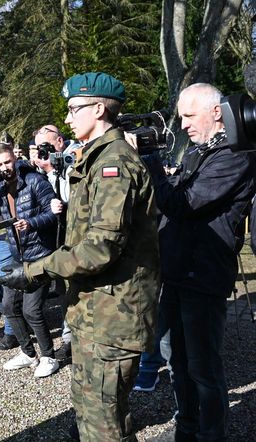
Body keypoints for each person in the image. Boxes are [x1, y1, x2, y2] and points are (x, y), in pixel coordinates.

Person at [0, 72, 159, 441]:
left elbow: (100, 247)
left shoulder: (114, 165)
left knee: (104, 426)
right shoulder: (96, 159)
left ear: (99, 109)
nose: (68, 119)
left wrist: (34, 271)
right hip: (95, 313)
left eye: (73, 109)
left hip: (113, 317)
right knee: (93, 417)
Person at [142, 83, 256, 441]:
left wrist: (153, 166)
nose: (184, 124)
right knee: (176, 361)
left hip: (203, 276)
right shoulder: (197, 150)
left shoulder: (236, 155)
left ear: (216, 112)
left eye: (189, 116)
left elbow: (183, 203)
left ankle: (211, 435)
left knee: (203, 368)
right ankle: (186, 428)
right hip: (175, 270)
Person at [0, 143, 60, 377]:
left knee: (32, 310)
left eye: (7, 161)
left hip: (40, 255)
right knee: (8, 306)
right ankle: (28, 353)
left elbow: (53, 213)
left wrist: (31, 223)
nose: (5, 167)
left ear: (14, 158)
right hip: (17, 255)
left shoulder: (34, 180)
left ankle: (48, 356)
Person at [32, 124, 73, 360]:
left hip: (75, 238)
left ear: (60, 142)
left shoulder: (72, 161)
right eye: (39, 148)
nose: (43, 151)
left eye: (46, 146)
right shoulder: (39, 172)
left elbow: (68, 196)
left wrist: (53, 171)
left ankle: (74, 339)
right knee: (62, 291)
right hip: (55, 239)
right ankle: (69, 338)